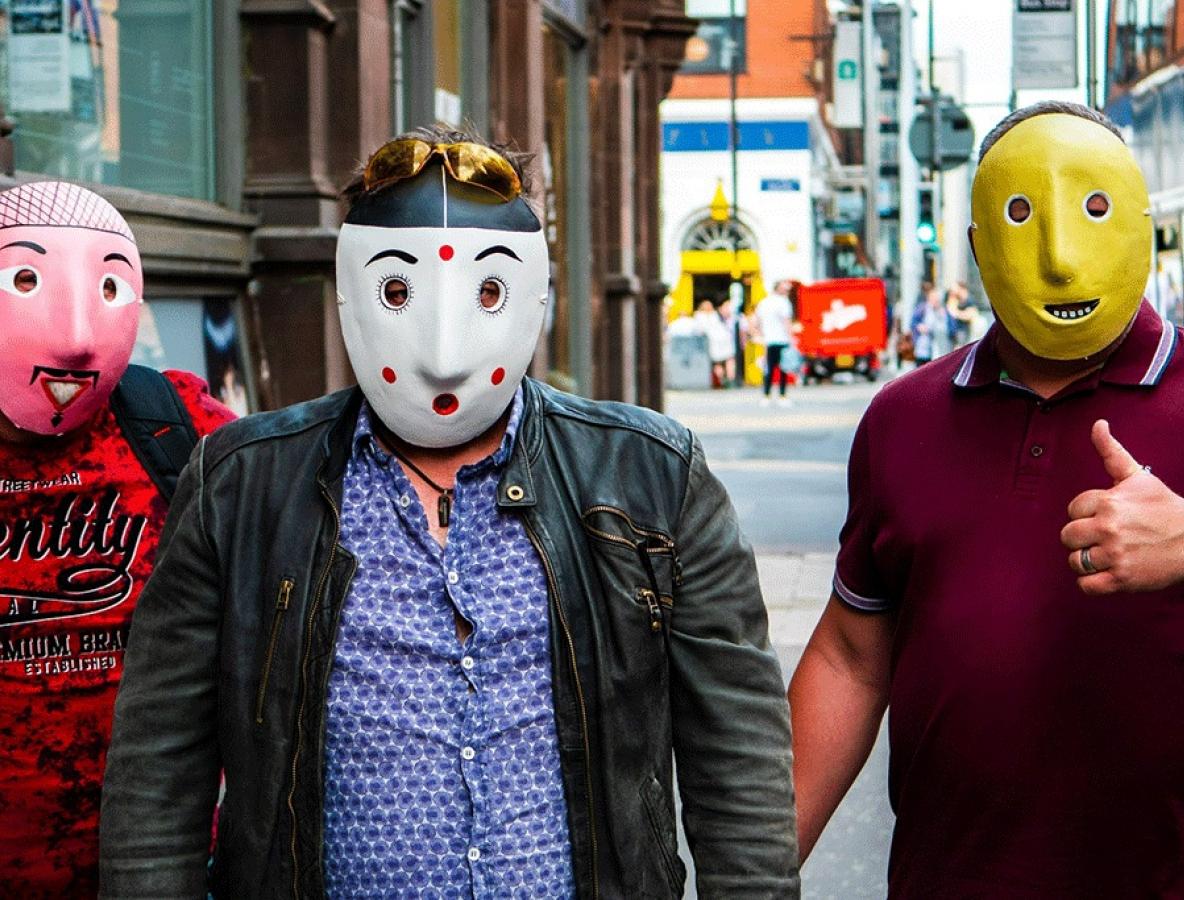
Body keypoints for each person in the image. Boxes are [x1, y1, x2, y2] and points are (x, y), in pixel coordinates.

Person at [99, 126, 800, 898]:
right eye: (396, 292)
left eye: (488, 291)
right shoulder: (243, 486)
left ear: (533, 294)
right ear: (351, 292)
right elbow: (159, 769)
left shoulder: (652, 478)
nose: (441, 350)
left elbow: (738, 761)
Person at [789, 100, 1184, 897]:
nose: (1057, 257)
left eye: (1092, 208)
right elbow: (850, 655)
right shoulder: (901, 419)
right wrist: (753, 871)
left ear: (1141, 226)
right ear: (978, 246)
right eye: (1020, 215)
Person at [0, 181, 234, 895]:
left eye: (108, 286)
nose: (72, 333)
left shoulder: (176, 423)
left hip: (161, 861)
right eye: (26, 280)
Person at [754, 281, 796, 404]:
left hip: (768, 340)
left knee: (769, 368)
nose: (787, 292)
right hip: (782, 339)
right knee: (784, 369)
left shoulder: (764, 302)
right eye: (786, 290)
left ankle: (766, 396)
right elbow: (786, 321)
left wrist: (761, 335)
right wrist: (791, 338)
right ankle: (782, 396)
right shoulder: (784, 302)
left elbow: (757, 321)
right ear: (779, 289)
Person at [694, 297, 735, 388]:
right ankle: (730, 380)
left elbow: (699, 331)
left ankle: (722, 380)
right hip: (724, 338)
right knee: (728, 359)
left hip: (713, 341)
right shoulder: (715, 315)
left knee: (717, 362)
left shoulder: (699, 316)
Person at [909, 282, 951, 365]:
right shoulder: (922, 308)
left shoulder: (943, 311)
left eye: (937, 298)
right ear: (929, 298)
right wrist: (919, 327)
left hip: (939, 349)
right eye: (933, 298)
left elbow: (951, 328)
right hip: (923, 349)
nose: (935, 300)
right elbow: (912, 322)